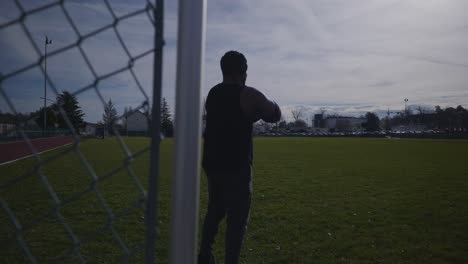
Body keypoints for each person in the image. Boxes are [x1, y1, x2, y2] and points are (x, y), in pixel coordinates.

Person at [198, 51, 281, 264]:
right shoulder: (248, 94)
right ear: (243, 72)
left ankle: (204, 255)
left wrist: (250, 115)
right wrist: (257, 110)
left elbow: (229, 117)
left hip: (212, 162)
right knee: (237, 221)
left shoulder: (213, 93)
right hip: (236, 165)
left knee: (215, 210)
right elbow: (275, 113)